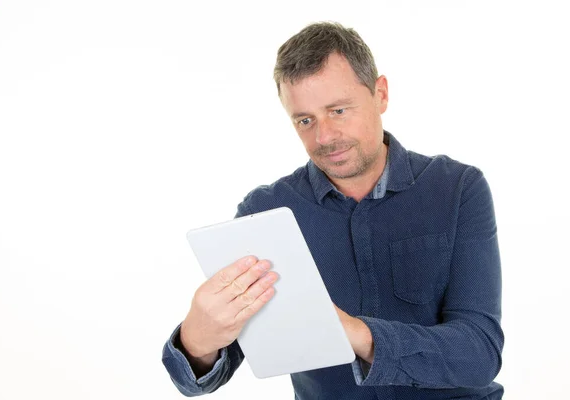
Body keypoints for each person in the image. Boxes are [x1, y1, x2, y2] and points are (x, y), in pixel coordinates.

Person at [162, 21, 504, 399]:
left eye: (338, 110)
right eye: (304, 120)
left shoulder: (457, 189)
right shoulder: (265, 211)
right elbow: (205, 372)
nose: (323, 137)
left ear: (381, 94)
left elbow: (479, 352)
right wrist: (197, 339)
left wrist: (353, 332)